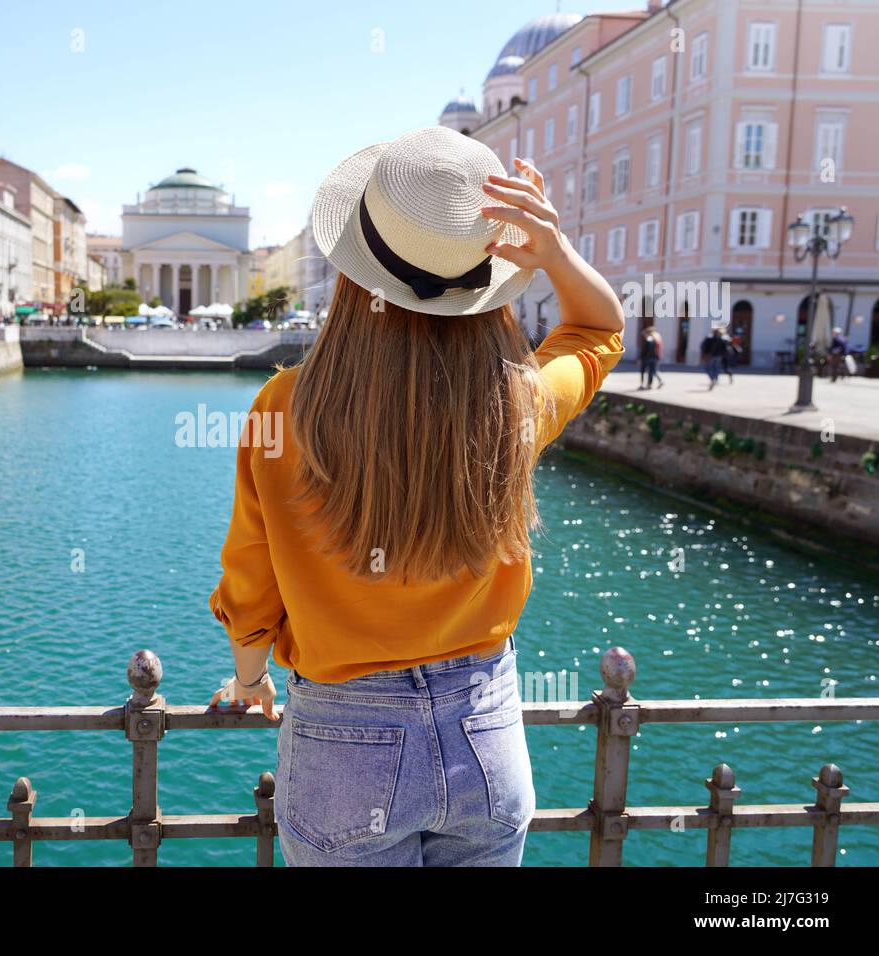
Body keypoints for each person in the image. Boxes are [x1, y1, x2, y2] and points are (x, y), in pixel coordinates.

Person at [207, 129, 624, 867]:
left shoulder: (284, 408)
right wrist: (555, 251)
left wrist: (249, 681)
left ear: (354, 272)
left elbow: (251, 577)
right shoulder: (515, 403)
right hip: (484, 732)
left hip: (343, 741)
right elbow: (597, 330)